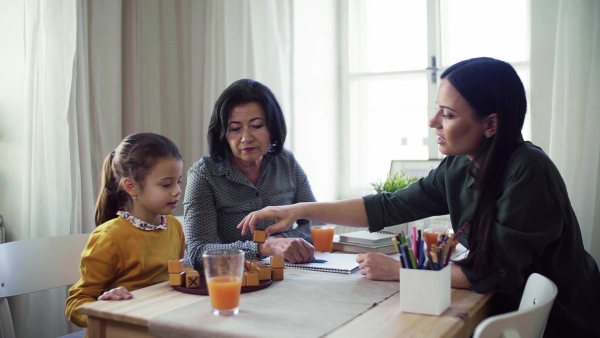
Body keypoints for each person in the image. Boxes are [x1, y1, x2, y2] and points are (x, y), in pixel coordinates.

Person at [237, 57, 600, 337]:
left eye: (448, 114)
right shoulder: (460, 166)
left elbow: (496, 272)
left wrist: (400, 270)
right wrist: (296, 210)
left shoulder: (528, 171)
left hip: (559, 321)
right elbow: (389, 205)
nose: (432, 122)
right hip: (507, 311)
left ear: (490, 124)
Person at [183, 78, 317, 270]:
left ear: (272, 127)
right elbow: (198, 251)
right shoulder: (204, 174)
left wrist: (282, 240)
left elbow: (316, 223)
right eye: (235, 129)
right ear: (223, 134)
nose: (246, 138)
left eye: (256, 125)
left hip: (285, 275)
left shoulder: (286, 162)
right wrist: (262, 247)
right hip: (229, 280)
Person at [65, 133, 186, 328]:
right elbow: (75, 303)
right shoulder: (109, 237)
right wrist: (103, 308)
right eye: (166, 184)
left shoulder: (174, 228)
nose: (177, 191)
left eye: (178, 181)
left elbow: (175, 279)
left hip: (158, 328)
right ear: (131, 186)